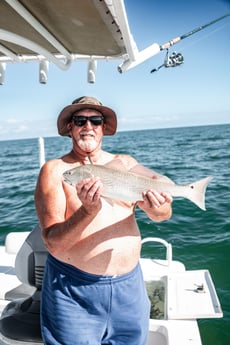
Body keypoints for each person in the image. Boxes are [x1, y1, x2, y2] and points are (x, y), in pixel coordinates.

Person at [35, 96, 173, 345]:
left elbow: (164, 210)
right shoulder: (55, 171)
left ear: (103, 128)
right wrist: (87, 211)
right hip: (73, 292)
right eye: (80, 120)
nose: (88, 126)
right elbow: (53, 243)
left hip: (129, 289)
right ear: (70, 127)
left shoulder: (126, 164)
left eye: (95, 120)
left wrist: (157, 206)